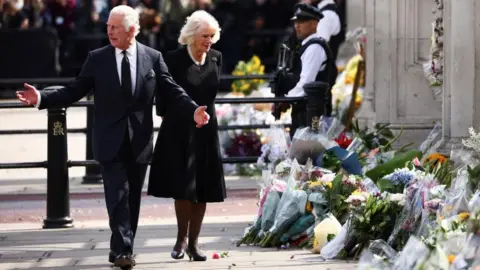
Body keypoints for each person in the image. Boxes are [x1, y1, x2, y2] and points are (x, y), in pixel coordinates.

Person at [16, 5, 210, 269]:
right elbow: (74, 91)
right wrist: (41, 97)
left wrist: (193, 110)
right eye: (108, 26)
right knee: (117, 197)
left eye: (115, 27)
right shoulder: (97, 58)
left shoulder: (152, 57)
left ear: (131, 30)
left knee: (131, 201)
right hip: (109, 141)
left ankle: (119, 246)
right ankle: (123, 251)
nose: (109, 31)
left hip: (139, 142)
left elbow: (173, 91)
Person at [147, 10, 226, 262]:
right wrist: (177, 116)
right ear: (191, 36)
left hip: (206, 129)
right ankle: (181, 239)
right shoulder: (173, 58)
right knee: (183, 186)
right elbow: (164, 94)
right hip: (179, 128)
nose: (209, 41)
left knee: (202, 186)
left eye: (212, 36)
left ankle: (194, 244)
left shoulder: (216, 57)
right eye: (204, 35)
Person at [285, 3, 335, 138]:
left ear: (314, 24)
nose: (297, 26)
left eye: (302, 22)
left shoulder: (314, 48)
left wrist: (285, 99)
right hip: (306, 108)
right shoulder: (306, 45)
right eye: (296, 22)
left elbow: (306, 82)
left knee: (309, 149)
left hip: (312, 111)